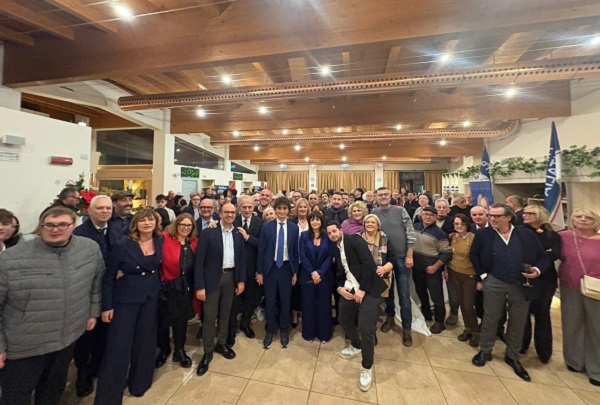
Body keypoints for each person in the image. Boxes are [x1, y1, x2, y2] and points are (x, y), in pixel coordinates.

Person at [0, 207, 104, 405]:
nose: (55, 230)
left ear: (73, 225)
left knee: (52, 393)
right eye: (49, 225)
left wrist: (92, 312)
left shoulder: (89, 249)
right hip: (24, 347)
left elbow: (96, 282)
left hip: (65, 340)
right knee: (16, 397)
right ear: (41, 226)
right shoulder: (10, 259)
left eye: (63, 224)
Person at [470, 203, 549, 382]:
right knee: (490, 317)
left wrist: (537, 270)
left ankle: (512, 355)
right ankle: (485, 350)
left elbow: (543, 257)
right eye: (491, 215)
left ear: (508, 217)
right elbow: (474, 255)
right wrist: (483, 275)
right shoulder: (484, 234)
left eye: (496, 216)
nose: (492, 219)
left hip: (521, 283)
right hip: (494, 281)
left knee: (518, 319)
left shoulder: (525, 234)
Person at [95, 208, 163, 404]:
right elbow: (108, 277)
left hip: (150, 297)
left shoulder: (159, 240)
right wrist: (107, 306)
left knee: (145, 341)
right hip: (125, 299)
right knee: (118, 346)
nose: (147, 223)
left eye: (150, 219)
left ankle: (140, 383)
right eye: (143, 220)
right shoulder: (123, 244)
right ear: (135, 224)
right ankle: (109, 396)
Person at [327, 221, 386, 392]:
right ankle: (356, 345)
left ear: (340, 230)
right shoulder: (335, 248)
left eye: (334, 231)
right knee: (344, 318)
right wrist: (340, 288)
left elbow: (369, 264)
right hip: (350, 287)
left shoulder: (354, 240)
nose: (332, 235)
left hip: (368, 288)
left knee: (366, 329)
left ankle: (367, 367)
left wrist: (362, 289)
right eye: (329, 233)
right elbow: (339, 272)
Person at [194, 203, 246, 376]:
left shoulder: (238, 234)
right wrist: (200, 286)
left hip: (231, 278)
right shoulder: (209, 232)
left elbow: (241, 259)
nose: (230, 215)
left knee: (226, 313)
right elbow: (199, 261)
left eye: (232, 212)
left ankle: (221, 343)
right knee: (209, 316)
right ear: (220, 213)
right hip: (211, 280)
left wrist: (241, 281)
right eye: (227, 212)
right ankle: (208, 350)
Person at [71, 196, 113, 397]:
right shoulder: (79, 233)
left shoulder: (116, 230)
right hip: (86, 293)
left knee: (104, 334)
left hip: (110, 291)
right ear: (90, 210)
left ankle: (97, 366)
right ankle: (83, 373)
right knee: (85, 337)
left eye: (108, 208)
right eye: (100, 208)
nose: (105, 211)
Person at [558, 208, 600, 387]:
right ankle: (574, 361)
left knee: (596, 328)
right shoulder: (563, 237)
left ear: (595, 222)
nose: (583, 219)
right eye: (578, 216)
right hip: (570, 286)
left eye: (588, 217)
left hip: (596, 289)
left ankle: (596, 368)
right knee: (572, 324)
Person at [372, 187, 416, 346]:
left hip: (402, 258)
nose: (383, 196)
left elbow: (410, 233)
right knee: (388, 292)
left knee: (404, 294)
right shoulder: (374, 212)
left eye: (386, 194)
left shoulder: (400, 211)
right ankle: (390, 317)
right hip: (385, 259)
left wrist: (410, 255)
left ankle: (407, 329)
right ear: (376, 197)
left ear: (390, 196)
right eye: (380, 195)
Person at [520, 205, 561, 363]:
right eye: (525, 213)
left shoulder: (551, 235)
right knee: (522, 314)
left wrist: (538, 264)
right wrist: (544, 252)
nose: (525, 215)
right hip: (523, 277)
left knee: (542, 314)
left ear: (540, 215)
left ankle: (544, 351)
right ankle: (521, 345)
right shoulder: (519, 232)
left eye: (530, 213)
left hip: (545, 279)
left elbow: (554, 254)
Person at [156, 214, 198, 369]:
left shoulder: (194, 242)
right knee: (163, 319)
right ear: (176, 224)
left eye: (189, 225)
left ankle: (179, 350)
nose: (185, 228)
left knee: (181, 320)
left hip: (185, 286)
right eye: (182, 224)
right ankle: (164, 348)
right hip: (166, 285)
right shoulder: (164, 238)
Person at [256, 196, 299, 349]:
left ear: (288, 210)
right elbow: (261, 250)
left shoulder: (294, 228)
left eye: (284, 208)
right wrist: (259, 272)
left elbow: (295, 251)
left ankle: (284, 329)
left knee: (285, 301)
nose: (281, 211)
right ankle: (270, 330)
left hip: (286, 268)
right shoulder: (266, 227)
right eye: (279, 208)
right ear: (275, 210)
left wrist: (295, 272)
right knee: (269, 301)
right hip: (270, 269)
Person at [412, 206, 453, 334]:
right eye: (425, 214)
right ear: (421, 214)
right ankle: (426, 314)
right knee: (421, 292)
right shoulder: (415, 227)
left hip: (432, 270)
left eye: (431, 215)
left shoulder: (440, 234)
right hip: (417, 268)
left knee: (436, 296)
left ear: (435, 217)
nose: (428, 217)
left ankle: (440, 321)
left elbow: (446, 253)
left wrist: (435, 267)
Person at [299, 211, 334, 342]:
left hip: (324, 276)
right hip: (307, 276)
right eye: (312, 219)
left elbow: (330, 256)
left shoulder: (328, 236)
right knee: (308, 305)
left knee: (324, 306)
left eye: (317, 219)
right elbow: (302, 255)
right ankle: (309, 334)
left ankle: (324, 334)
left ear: (321, 221)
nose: (315, 222)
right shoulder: (304, 236)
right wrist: (313, 272)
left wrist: (320, 272)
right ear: (309, 222)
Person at [231, 196, 263, 340]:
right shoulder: (233, 220)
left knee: (249, 298)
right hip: (234, 266)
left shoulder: (259, 222)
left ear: (253, 207)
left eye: (250, 207)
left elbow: (262, 245)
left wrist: (248, 237)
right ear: (239, 207)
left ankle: (245, 324)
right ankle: (232, 325)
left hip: (251, 267)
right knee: (234, 299)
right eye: (244, 207)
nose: (247, 210)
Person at [446, 214, 479, 347]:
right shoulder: (452, 237)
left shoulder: (474, 238)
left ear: (467, 224)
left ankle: (475, 331)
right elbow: (449, 255)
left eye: (462, 224)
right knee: (461, 303)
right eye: (456, 224)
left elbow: (479, 258)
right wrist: (445, 270)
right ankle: (467, 328)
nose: (459, 226)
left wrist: (480, 278)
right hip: (454, 273)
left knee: (468, 305)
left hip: (469, 275)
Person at [361, 214, 396, 333]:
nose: (370, 224)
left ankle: (390, 318)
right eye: (367, 222)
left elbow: (392, 258)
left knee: (388, 298)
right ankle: (369, 324)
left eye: (373, 222)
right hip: (364, 277)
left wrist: (385, 268)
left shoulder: (385, 240)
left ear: (378, 226)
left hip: (382, 275)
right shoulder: (358, 239)